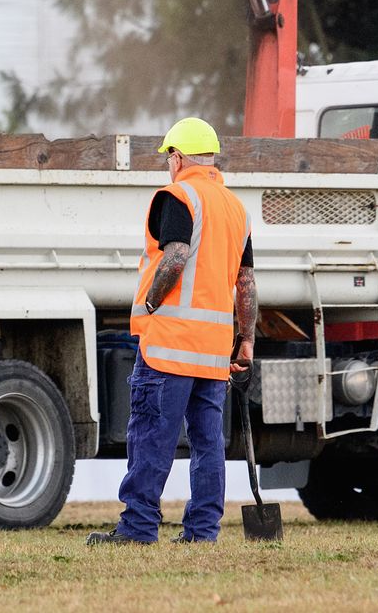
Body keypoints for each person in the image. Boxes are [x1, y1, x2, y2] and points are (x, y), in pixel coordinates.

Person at [89, 117, 257, 546]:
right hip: (214, 352)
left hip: (169, 346)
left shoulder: (178, 195)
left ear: (178, 158)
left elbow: (177, 254)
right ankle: (202, 533)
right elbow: (246, 282)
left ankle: (138, 528)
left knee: (150, 438)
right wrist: (248, 339)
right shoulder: (235, 209)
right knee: (208, 445)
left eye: (170, 158)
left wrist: (150, 302)